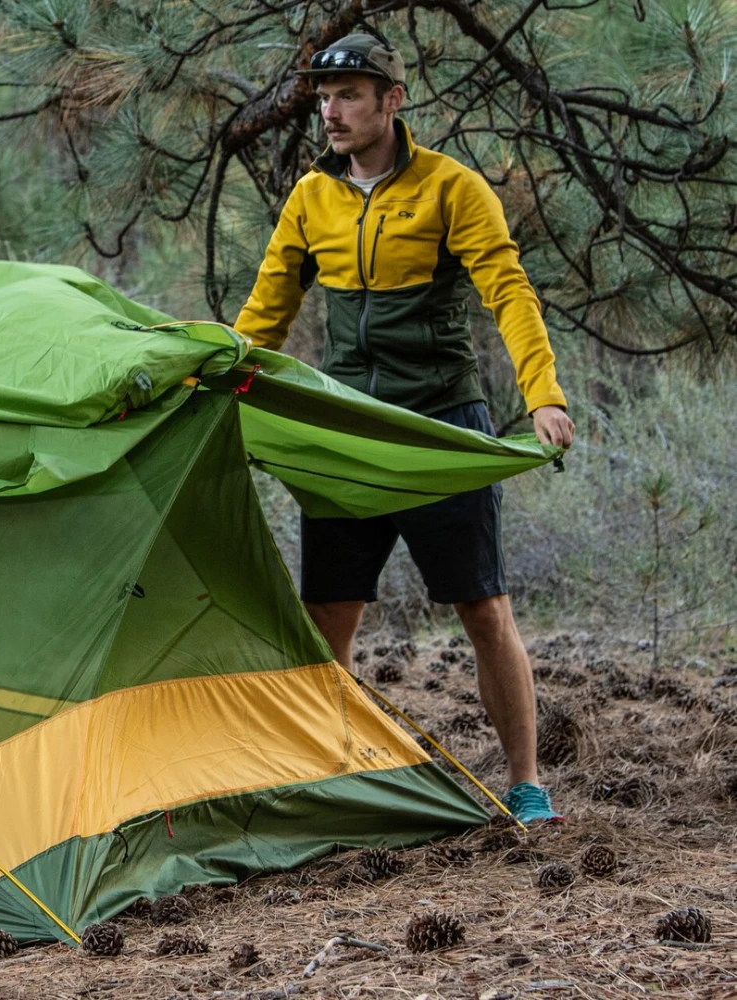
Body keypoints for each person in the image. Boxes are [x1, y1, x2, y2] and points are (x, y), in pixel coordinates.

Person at [232, 31, 575, 824]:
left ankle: (526, 784)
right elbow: (265, 315)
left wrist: (544, 395)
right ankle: (335, 776)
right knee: (328, 617)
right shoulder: (311, 198)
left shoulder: (452, 188)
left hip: (439, 427)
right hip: (347, 434)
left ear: (392, 100)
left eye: (349, 95)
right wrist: (217, 380)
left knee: (483, 610)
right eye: (324, 98)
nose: (331, 111)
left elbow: (509, 292)